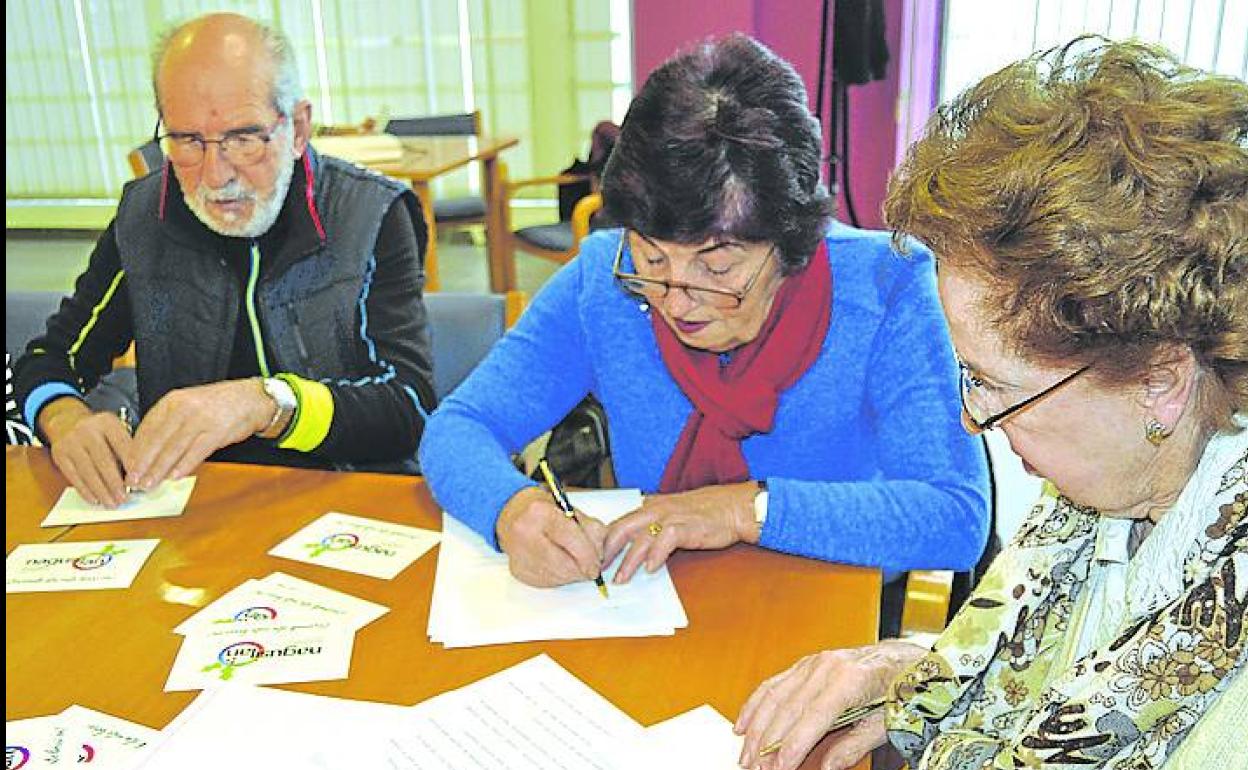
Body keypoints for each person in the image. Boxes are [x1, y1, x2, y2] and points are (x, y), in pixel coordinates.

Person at [735, 37, 1246, 770]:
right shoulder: (1104, 494)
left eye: (997, 388)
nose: (973, 420)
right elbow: (1062, 675)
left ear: (1158, 383)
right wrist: (906, 674)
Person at [420, 35, 989, 596]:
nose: (675, 300)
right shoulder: (605, 279)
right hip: (653, 598)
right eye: (651, 256)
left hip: (827, 609)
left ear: (790, 239)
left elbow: (955, 514)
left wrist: (743, 509)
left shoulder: (885, 287)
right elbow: (461, 426)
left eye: (717, 268)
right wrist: (511, 508)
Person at [12, 12, 435, 507]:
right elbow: (51, 356)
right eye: (187, 140)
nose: (215, 175)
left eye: (242, 138)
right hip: (197, 506)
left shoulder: (370, 214)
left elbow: (410, 409)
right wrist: (64, 418)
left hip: (346, 497)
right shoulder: (146, 216)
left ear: (298, 129)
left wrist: (269, 403)